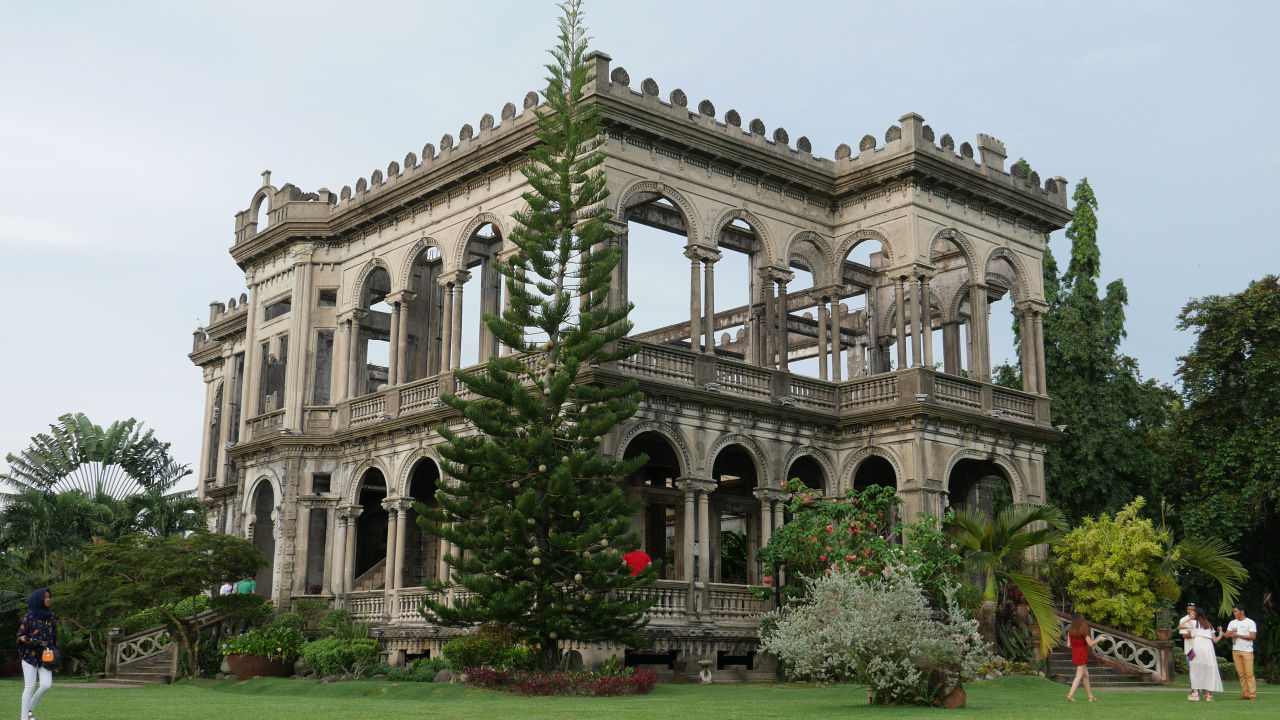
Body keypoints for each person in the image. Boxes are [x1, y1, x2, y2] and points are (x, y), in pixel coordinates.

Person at [16, 588, 57, 720]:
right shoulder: (29, 617)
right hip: (30, 656)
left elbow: (54, 637)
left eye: (49, 597)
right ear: (39, 600)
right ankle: (24, 718)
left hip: (46, 656)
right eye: (45, 597)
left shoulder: (51, 617)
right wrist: (32, 641)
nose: (48, 599)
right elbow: (20, 636)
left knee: (46, 685)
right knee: (29, 686)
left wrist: (55, 653)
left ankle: (30, 709)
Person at [1186, 609, 1223, 701]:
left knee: (1195, 669)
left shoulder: (1194, 623)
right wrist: (1221, 634)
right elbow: (1215, 640)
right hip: (1208, 648)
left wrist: (1189, 619)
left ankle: (1195, 693)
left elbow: (1180, 626)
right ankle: (1208, 695)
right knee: (1208, 670)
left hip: (1197, 645)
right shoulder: (1208, 625)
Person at [1224, 604, 1257, 701]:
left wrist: (1238, 635)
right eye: (1233, 612)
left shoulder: (1250, 622)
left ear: (1242, 611)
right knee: (1241, 673)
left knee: (1249, 673)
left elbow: (1253, 637)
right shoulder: (1232, 623)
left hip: (1247, 651)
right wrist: (1224, 633)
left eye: (1236, 611)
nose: (1234, 613)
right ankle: (1246, 694)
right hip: (1236, 650)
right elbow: (1227, 635)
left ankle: (1252, 695)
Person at [1065, 613, 1101, 703]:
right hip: (1082, 653)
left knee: (1085, 675)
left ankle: (1090, 697)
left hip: (1075, 653)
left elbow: (1068, 645)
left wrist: (1075, 643)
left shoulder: (1070, 631)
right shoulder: (1084, 631)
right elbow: (1090, 644)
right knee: (1079, 675)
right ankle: (1070, 695)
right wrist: (1099, 639)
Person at [1176, 601, 1200, 700]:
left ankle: (1204, 690)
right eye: (1189, 609)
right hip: (1190, 650)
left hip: (1200, 649)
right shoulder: (1184, 620)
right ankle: (1194, 691)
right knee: (1192, 670)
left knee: (1201, 669)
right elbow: (1184, 635)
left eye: (1192, 610)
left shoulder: (1201, 619)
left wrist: (1192, 633)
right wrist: (1194, 634)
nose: (1190, 611)